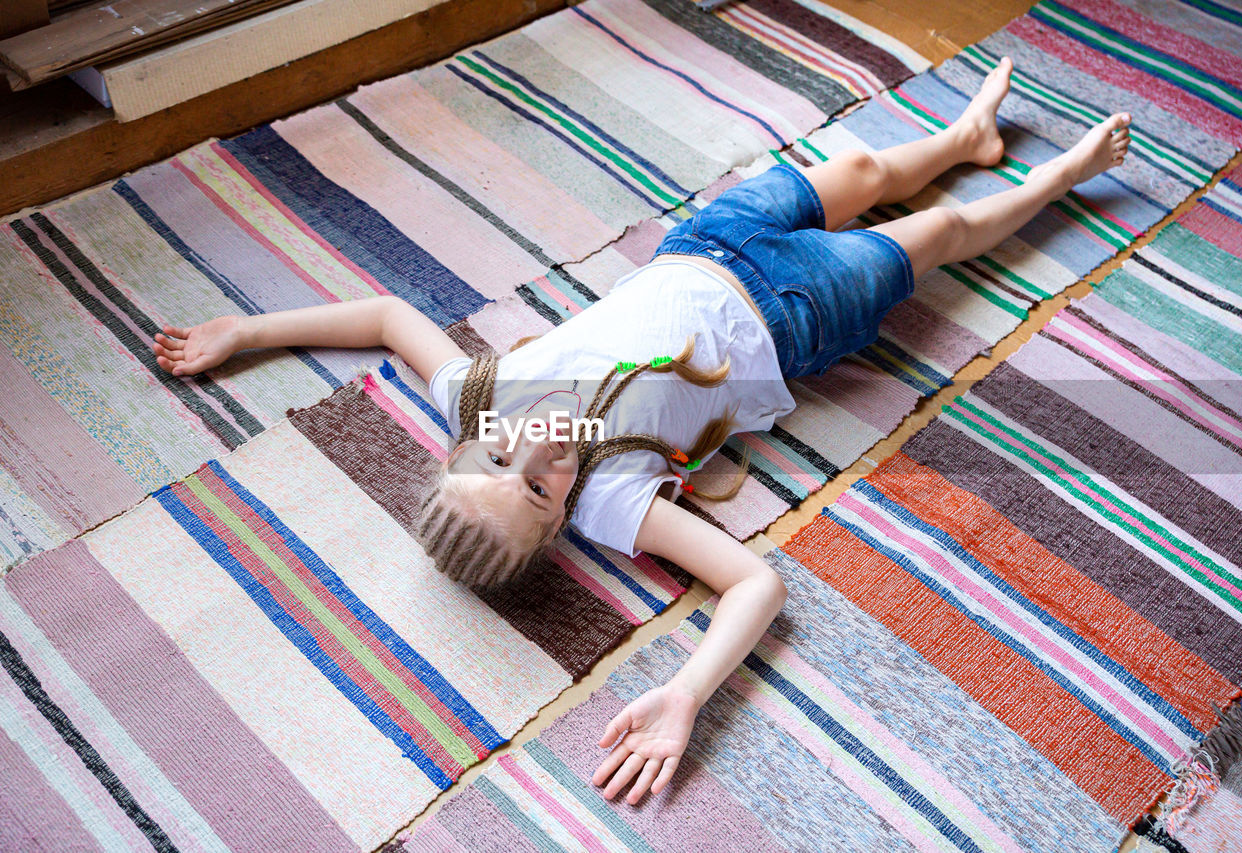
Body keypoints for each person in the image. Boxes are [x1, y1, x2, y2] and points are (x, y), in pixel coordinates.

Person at [152, 56, 1130, 805]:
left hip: (707, 244)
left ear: (465, 441)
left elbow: (377, 317)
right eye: (537, 488)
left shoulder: (482, 393)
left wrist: (250, 330)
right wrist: (689, 693)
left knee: (866, 164)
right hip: (788, 315)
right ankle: (1057, 184)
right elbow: (756, 582)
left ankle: (962, 142)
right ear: (558, 523)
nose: (535, 452)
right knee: (937, 239)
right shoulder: (615, 503)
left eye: (498, 455)